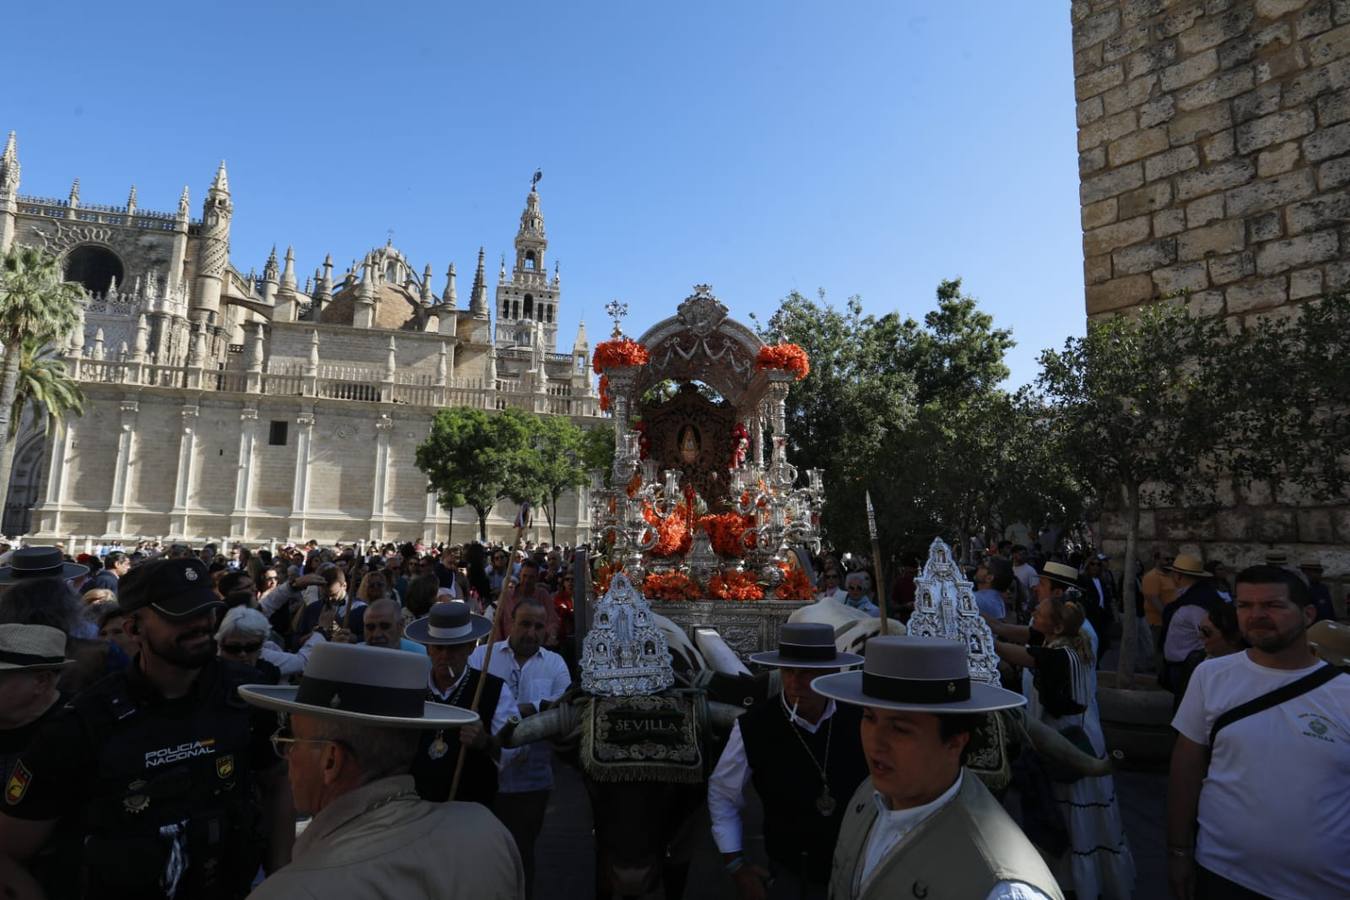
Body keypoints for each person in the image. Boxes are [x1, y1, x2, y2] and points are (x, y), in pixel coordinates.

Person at [0, 557, 292, 900]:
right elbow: (9, 851)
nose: (201, 624)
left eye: (206, 610)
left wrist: (280, 879)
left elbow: (276, 786)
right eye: (180, 614)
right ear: (133, 628)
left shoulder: (246, 697)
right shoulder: (84, 722)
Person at [239, 641, 525, 899]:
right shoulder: (487, 832)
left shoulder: (286, 893)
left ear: (331, 761)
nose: (287, 753)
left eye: (291, 740)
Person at [811, 636, 1062, 900]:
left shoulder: (1000, 888)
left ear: (955, 742)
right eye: (869, 717)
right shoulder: (868, 795)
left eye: (900, 729)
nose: (875, 742)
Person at [1167, 565, 1350, 900]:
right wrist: (1179, 852)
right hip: (1221, 872)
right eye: (1244, 606)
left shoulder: (1344, 694)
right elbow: (1186, 767)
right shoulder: (1210, 675)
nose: (1256, 616)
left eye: (1273, 605)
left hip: (1325, 885)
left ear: (1308, 614)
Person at [989, 594, 1135, 898]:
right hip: (1076, 735)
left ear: (1054, 627)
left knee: (1069, 812)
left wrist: (982, 639)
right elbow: (1021, 636)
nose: (1032, 614)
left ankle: (1072, 883)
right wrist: (988, 625)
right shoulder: (1064, 641)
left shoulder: (1057, 656)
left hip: (1068, 741)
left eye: (1038, 613)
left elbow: (1015, 652)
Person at [708, 623, 867, 900]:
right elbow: (722, 794)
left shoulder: (861, 719)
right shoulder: (754, 726)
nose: (794, 682)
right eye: (788, 671)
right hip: (790, 875)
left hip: (860, 872)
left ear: (830, 672)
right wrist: (736, 866)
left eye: (807, 673)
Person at [471, 597, 572, 898]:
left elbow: (562, 709)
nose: (530, 632)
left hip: (531, 780)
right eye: (524, 624)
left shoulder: (555, 664)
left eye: (538, 626)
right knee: (480, 854)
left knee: (521, 851)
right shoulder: (481, 658)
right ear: (509, 624)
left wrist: (528, 709)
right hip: (482, 777)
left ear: (547, 630)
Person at [407, 601, 517, 807]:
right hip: (415, 808)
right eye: (438, 648)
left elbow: (513, 756)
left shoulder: (493, 689)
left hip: (471, 808)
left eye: (454, 648)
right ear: (428, 649)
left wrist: (485, 742)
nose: (445, 656)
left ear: (470, 647)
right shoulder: (412, 687)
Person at [1158, 554, 1224, 704]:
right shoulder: (1188, 597)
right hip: (1181, 666)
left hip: (1188, 668)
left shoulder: (1195, 604)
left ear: (1178, 576)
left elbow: (1208, 636)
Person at [492, 558, 558, 644]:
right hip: (509, 647)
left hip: (536, 646)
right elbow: (497, 623)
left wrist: (551, 636)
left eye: (531, 577)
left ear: (537, 577)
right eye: (525, 576)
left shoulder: (543, 595)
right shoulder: (506, 596)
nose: (527, 580)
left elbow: (552, 620)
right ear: (520, 575)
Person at [361, 597, 428, 655]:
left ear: (400, 626)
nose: (376, 634)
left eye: (385, 626)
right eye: (370, 627)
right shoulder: (354, 656)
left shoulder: (421, 655)